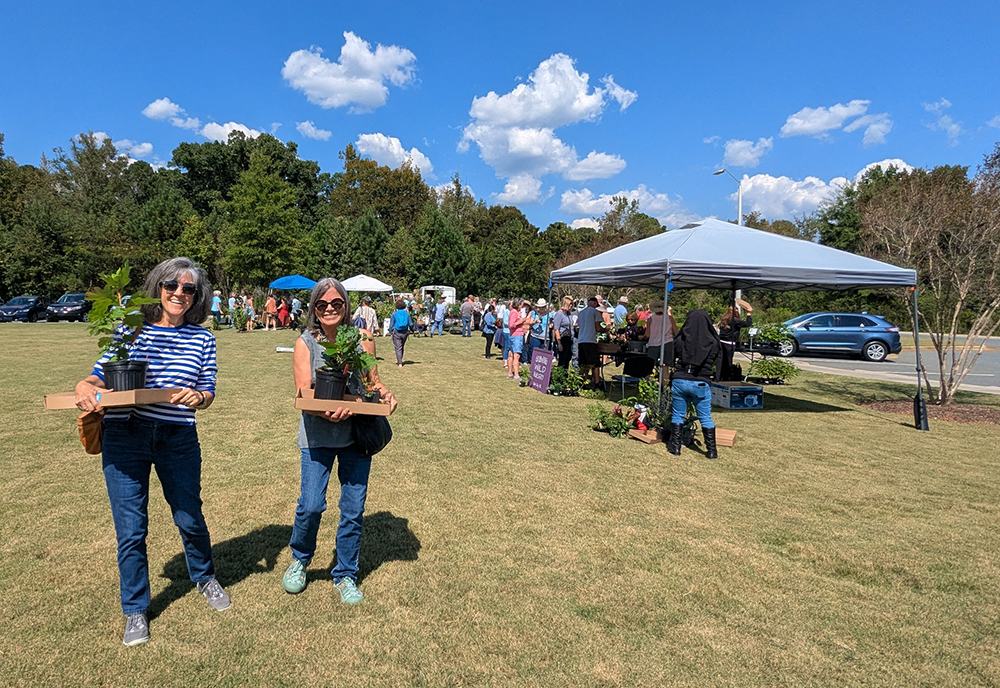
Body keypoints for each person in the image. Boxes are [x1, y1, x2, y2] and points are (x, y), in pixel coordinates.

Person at [73, 257, 228, 647]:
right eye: (171, 285)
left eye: (188, 289)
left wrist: (200, 396)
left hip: (178, 436)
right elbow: (98, 374)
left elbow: (207, 389)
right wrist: (82, 386)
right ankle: (135, 609)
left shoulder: (202, 338)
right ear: (158, 287)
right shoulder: (131, 328)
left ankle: (204, 577)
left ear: (197, 296)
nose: (179, 293)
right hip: (125, 433)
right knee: (131, 528)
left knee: (189, 516)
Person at [281, 277, 398, 604]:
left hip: (356, 435)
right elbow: (304, 390)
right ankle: (300, 559)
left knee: (352, 508)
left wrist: (385, 395)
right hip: (317, 435)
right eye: (322, 304)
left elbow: (373, 383)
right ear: (314, 309)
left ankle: (345, 574)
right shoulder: (306, 342)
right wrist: (326, 412)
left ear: (346, 306)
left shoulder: (362, 339)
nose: (329, 309)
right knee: (312, 503)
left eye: (336, 304)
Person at [667, 309, 723, 459]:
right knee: (705, 417)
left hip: (680, 379)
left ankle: (676, 447)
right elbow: (718, 363)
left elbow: (672, 356)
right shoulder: (713, 342)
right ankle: (711, 451)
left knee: (678, 414)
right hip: (701, 382)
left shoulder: (681, 339)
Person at [718, 299, 754, 381]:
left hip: (721, 342)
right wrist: (748, 314)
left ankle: (718, 377)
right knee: (728, 362)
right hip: (729, 344)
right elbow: (748, 324)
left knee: (720, 362)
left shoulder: (724, 318)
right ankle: (726, 378)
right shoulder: (735, 320)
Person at [577, 295, 601, 386]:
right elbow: (598, 328)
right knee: (595, 363)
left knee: (583, 363)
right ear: (594, 303)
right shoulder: (595, 312)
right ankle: (597, 382)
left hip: (581, 340)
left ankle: (582, 381)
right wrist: (606, 329)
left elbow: (578, 326)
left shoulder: (581, 313)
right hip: (590, 340)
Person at [644, 301, 678, 367]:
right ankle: (664, 377)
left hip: (653, 343)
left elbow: (647, 334)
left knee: (650, 365)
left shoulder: (650, 319)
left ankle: (648, 376)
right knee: (666, 366)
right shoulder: (670, 318)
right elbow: (676, 332)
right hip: (667, 342)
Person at [551, 296, 574, 369]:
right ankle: (560, 376)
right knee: (562, 360)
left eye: (572, 304)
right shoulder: (559, 314)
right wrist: (559, 343)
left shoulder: (568, 314)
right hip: (562, 338)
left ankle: (565, 375)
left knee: (567, 359)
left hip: (569, 338)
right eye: (570, 304)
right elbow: (556, 329)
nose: (571, 306)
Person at [389, 298, 412, 367]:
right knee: (402, 346)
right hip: (405, 332)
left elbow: (391, 324)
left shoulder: (394, 314)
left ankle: (400, 362)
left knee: (398, 347)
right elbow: (410, 324)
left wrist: (390, 331)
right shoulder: (407, 314)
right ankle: (400, 359)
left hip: (396, 332)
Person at [506, 298, 526, 379]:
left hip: (513, 335)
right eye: (521, 304)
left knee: (511, 354)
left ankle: (510, 373)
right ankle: (516, 374)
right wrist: (521, 321)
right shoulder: (514, 312)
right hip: (516, 335)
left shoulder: (514, 312)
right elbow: (511, 325)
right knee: (516, 355)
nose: (522, 306)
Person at [525, 298, 549, 363]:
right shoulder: (534, 313)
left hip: (545, 337)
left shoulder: (549, 314)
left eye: (542, 307)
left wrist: (551, 324)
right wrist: (535, 321)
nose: (540, 309)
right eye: (539, 307)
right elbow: (528, 322)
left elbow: (552, 323)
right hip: (535, 336)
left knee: (543, 355)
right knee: (534, 353)